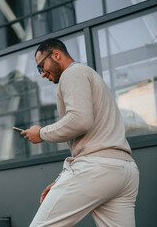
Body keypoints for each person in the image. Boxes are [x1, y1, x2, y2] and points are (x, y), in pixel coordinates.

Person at [21, 38, 139, 227]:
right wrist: (64, 181)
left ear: (56, 55)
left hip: (97, 169)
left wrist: (41, 133)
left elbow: (80, 120)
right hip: (124, 171)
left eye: (41, 66)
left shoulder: (72, 74)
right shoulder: (90, 75)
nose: (42, 74)